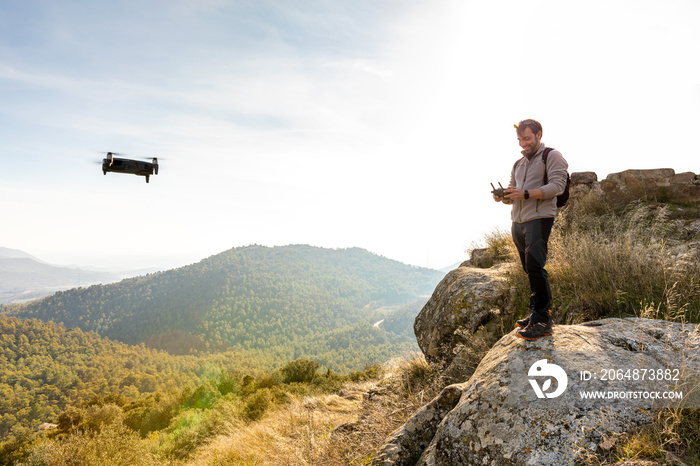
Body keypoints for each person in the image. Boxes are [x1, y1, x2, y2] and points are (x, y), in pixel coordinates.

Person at [494, 119, 568, 340]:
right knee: (528, 267)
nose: (522, 143)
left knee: (536, 265)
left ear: (538, 134)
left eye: (526, 138)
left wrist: (525, 193)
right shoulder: (518, 163)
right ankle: (537, 311)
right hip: (518, 220)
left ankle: (543, 319)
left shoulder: (552, 156)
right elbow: (514, 193)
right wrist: (504, 197)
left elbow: (557, 186)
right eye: (519, 139)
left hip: (539, 217)